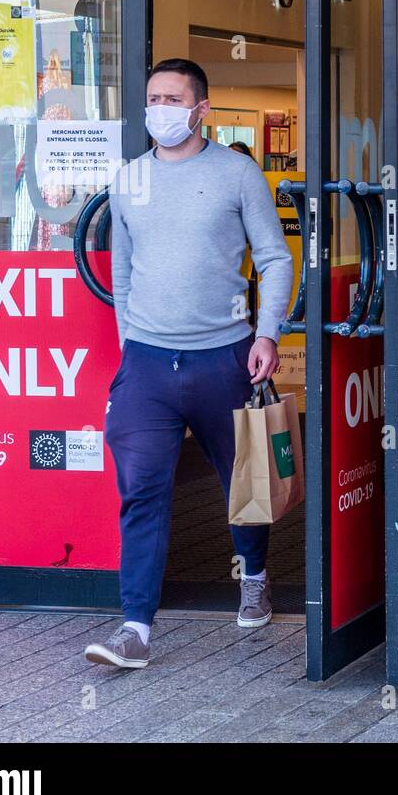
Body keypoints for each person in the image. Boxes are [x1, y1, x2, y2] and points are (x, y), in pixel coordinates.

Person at [84, 58, 292, 669]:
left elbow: (275, 259)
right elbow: (121, 270)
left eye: (174, 98)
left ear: (201, 107)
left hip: (224, 356)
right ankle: (134, 629)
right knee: (141, 490)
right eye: (153, 97)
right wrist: (130, 341)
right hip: (147, 364)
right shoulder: (128, 180)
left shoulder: (237, 173)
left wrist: (267, 334)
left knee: (245, 481)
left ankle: (253, 575)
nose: (161, 109)